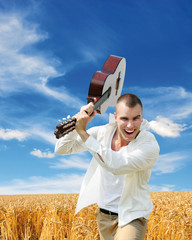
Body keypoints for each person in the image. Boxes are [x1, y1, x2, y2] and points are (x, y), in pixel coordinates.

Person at [55, 93, 160, 240]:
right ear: (116, 117)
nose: (130, 125)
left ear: (141, 118)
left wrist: (84, 133)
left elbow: (116, 165)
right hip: (104, 217)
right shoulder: (102, 132)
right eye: (124, 118)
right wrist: (77, 119)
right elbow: (62, 149)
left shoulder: (148, 144)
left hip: (132, 216)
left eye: (136, 118)